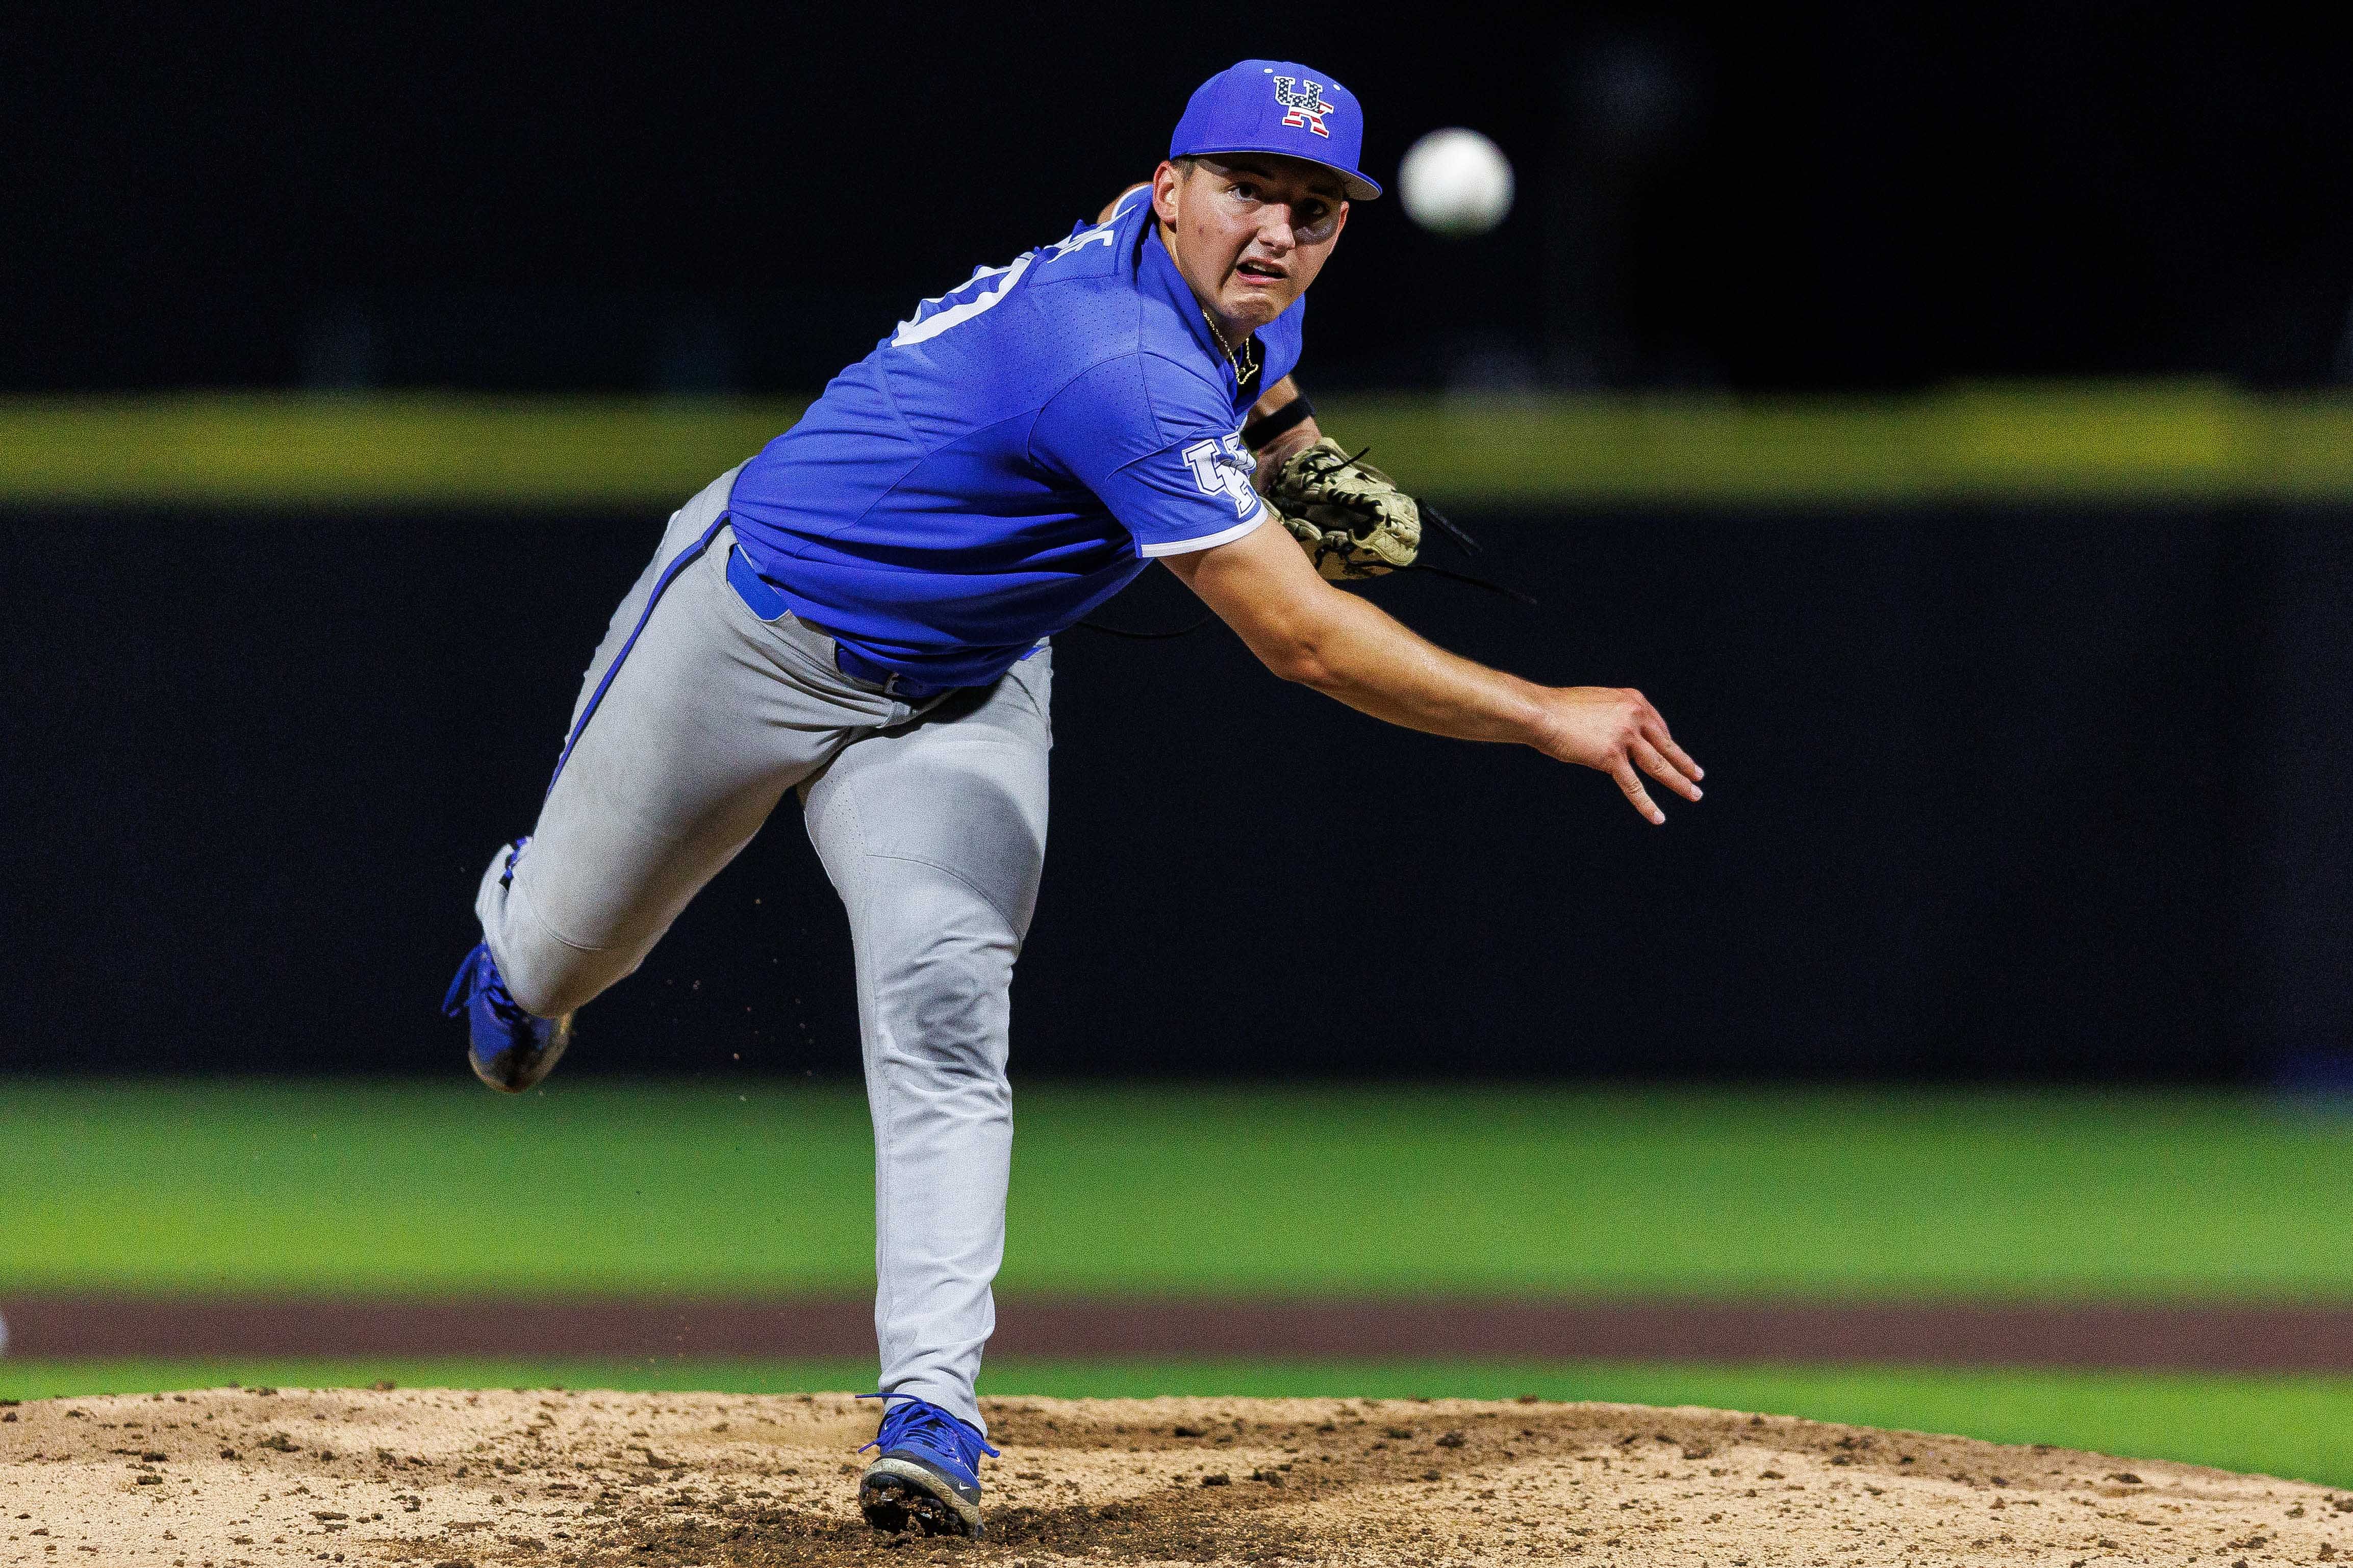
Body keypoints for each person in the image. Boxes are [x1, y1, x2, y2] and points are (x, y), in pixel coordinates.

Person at [441, 58, 1703, 1539]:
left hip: (963, 686)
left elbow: (1256, 377)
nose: (1277, 234)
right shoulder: (1119, 364)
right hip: (749, 630)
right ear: (1169, 191)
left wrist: (1296, 450)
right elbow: (1298, 637)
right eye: (1243, 190)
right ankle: (523, 938)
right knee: (551, 979)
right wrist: (1543, 709)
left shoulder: (1231, 277)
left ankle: (933, 1408)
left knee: (945, 1012)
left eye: (1313, 207)